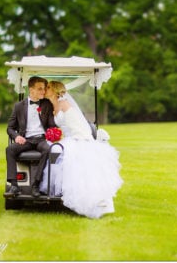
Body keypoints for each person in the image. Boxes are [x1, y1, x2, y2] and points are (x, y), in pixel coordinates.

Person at [40, 81, 123, 219]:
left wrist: (73, 140)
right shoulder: (53, 105)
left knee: (74, 166)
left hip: (77, 138)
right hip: (66, 138)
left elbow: (77, 125)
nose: (45, 90)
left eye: (48, 87)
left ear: (54, 90)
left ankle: (91, 200)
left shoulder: (64, 103)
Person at [4, 76, 56, 198]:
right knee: (10, 149)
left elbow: (51, 124)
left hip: (41, 139)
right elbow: (9, 128)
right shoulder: (19, 106)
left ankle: (36, 184)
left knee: (47, 149)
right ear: (31, 90)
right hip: (26, 140)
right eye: (40, 89)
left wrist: (53, 132)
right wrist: (16, 136)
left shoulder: (46, 104)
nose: (43, 91)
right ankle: (14, 185)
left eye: (43, 89)